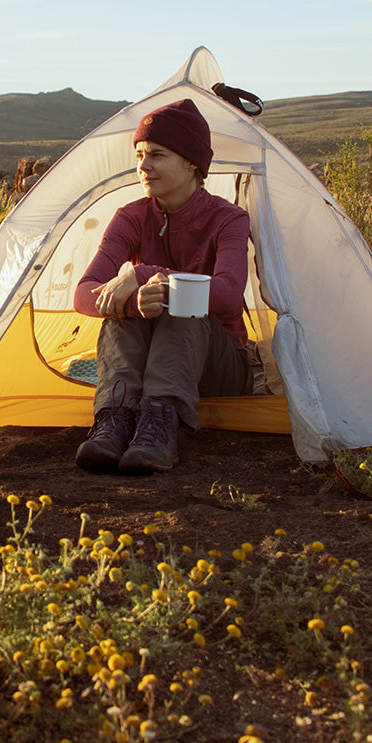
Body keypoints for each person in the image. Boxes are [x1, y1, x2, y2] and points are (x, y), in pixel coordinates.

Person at [72, 97, 252, 473]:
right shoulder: (131, 217)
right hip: (149, 358)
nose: (143, 166)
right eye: (139, 154)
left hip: (220, 368)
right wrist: (133, 298)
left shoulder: (228, 218)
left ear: (192, 163)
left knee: (185, 306)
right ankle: (117, 418)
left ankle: (159, 425)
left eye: (156, 154)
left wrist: (143, 275)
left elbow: (229, 292)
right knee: (124, 310)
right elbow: (84, 293)